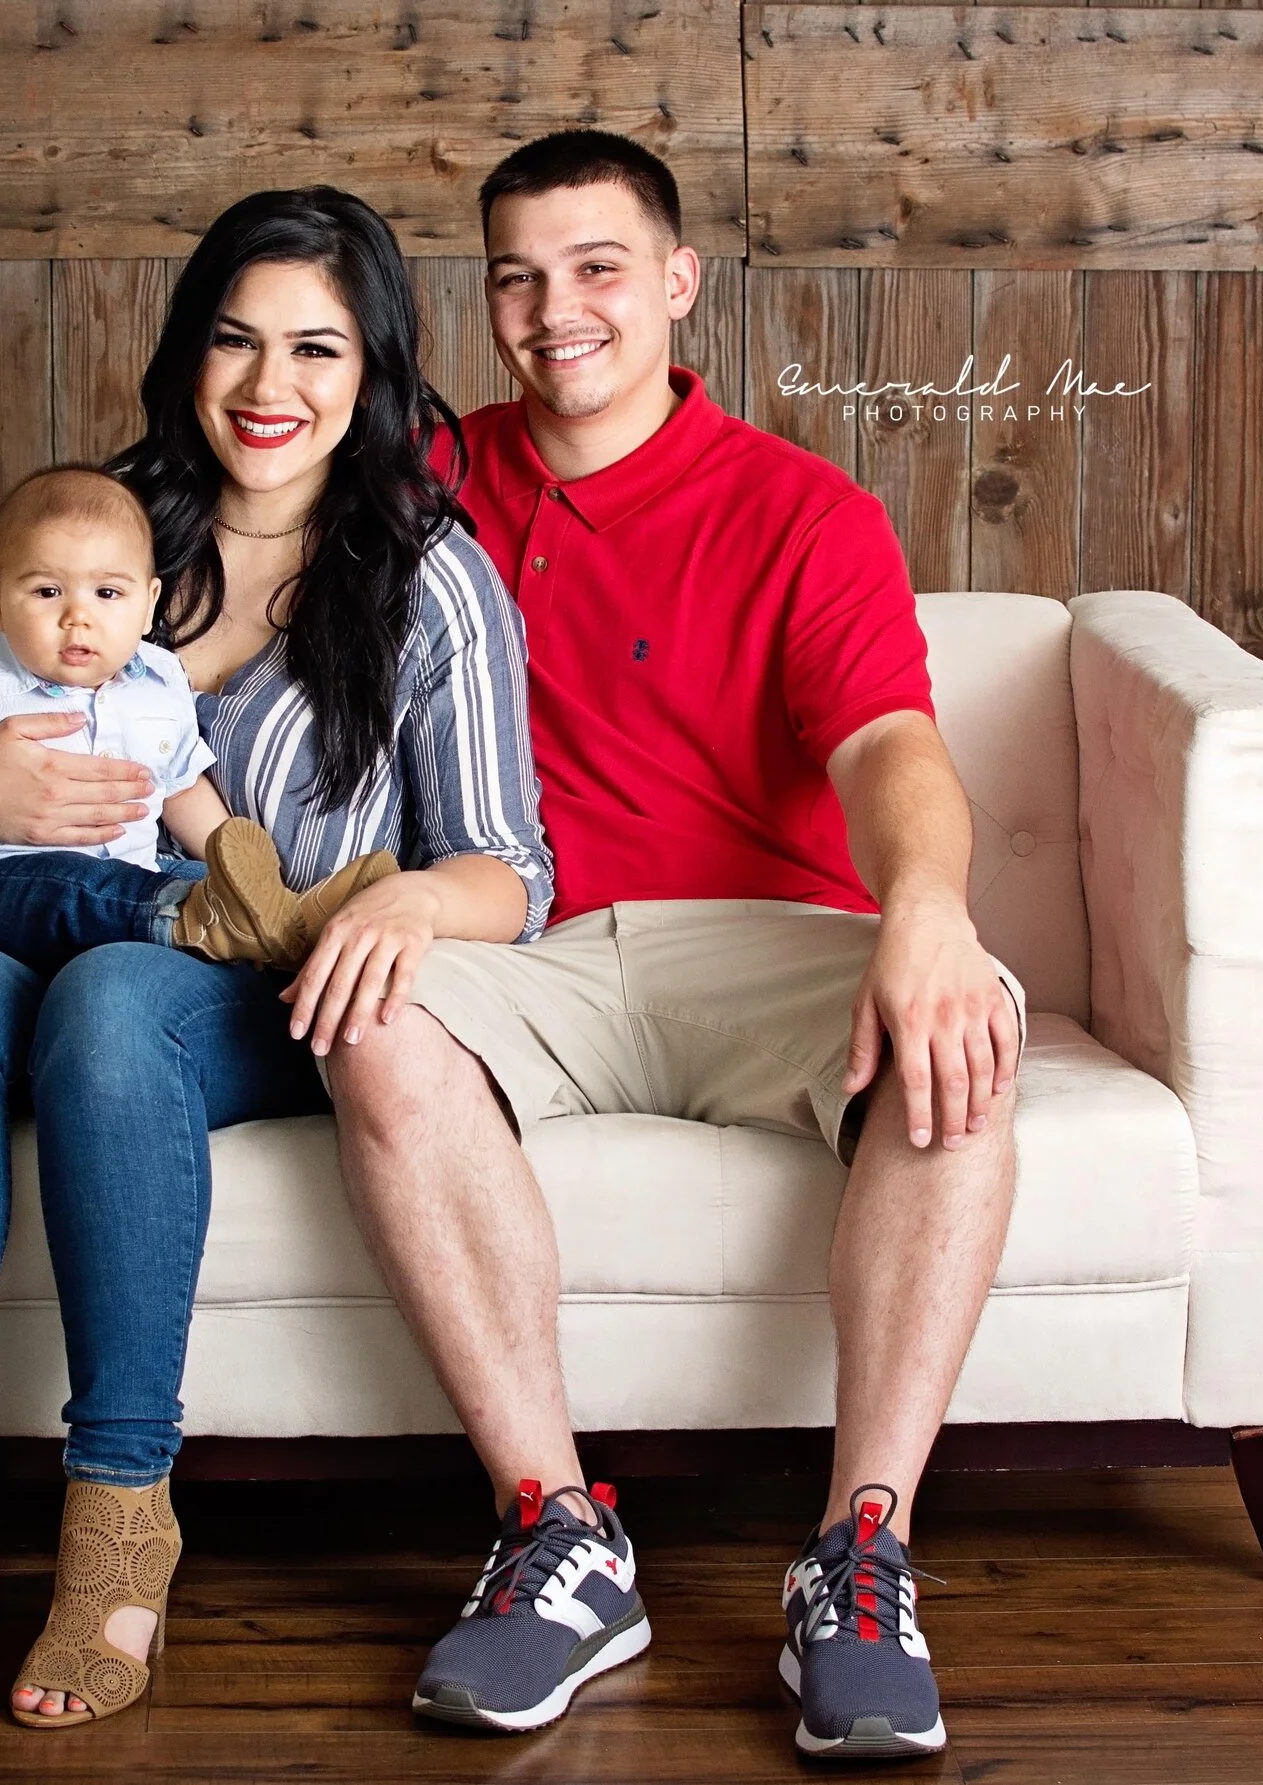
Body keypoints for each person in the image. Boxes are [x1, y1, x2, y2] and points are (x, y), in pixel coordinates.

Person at [0, 187, 551, 1731]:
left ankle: (122, 1516)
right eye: (235, 341)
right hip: (15, 942)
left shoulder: (428, 574)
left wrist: (408, 908)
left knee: (117, 1000)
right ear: (187, 355)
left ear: (374, 371)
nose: (269, 385)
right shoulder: (88, 530)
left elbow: (514, 867)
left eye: (316, 349)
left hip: (250, 988)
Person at [321, 133, 1027, 1756]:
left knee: (967, 1022)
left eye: (597, 268)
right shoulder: (431, 476)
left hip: (766, 943)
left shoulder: (801, 509)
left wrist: (929, 910)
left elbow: (889, 748)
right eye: (517, 276)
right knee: (371, 1019)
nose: (554, 309)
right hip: (537, 952)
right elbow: (194, 533)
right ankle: (561, 1539)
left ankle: (862, 1558)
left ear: (678, 282)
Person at [0, 464, 398, 973]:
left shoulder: (160, 682)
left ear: (149, 605)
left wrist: (243, 868)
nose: (78, 617)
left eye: (108, 594)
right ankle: (200, 920)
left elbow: (180, 788)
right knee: (78, 885)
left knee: (193, 885)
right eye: (47, 592)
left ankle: (290, 917)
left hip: (125, 888)